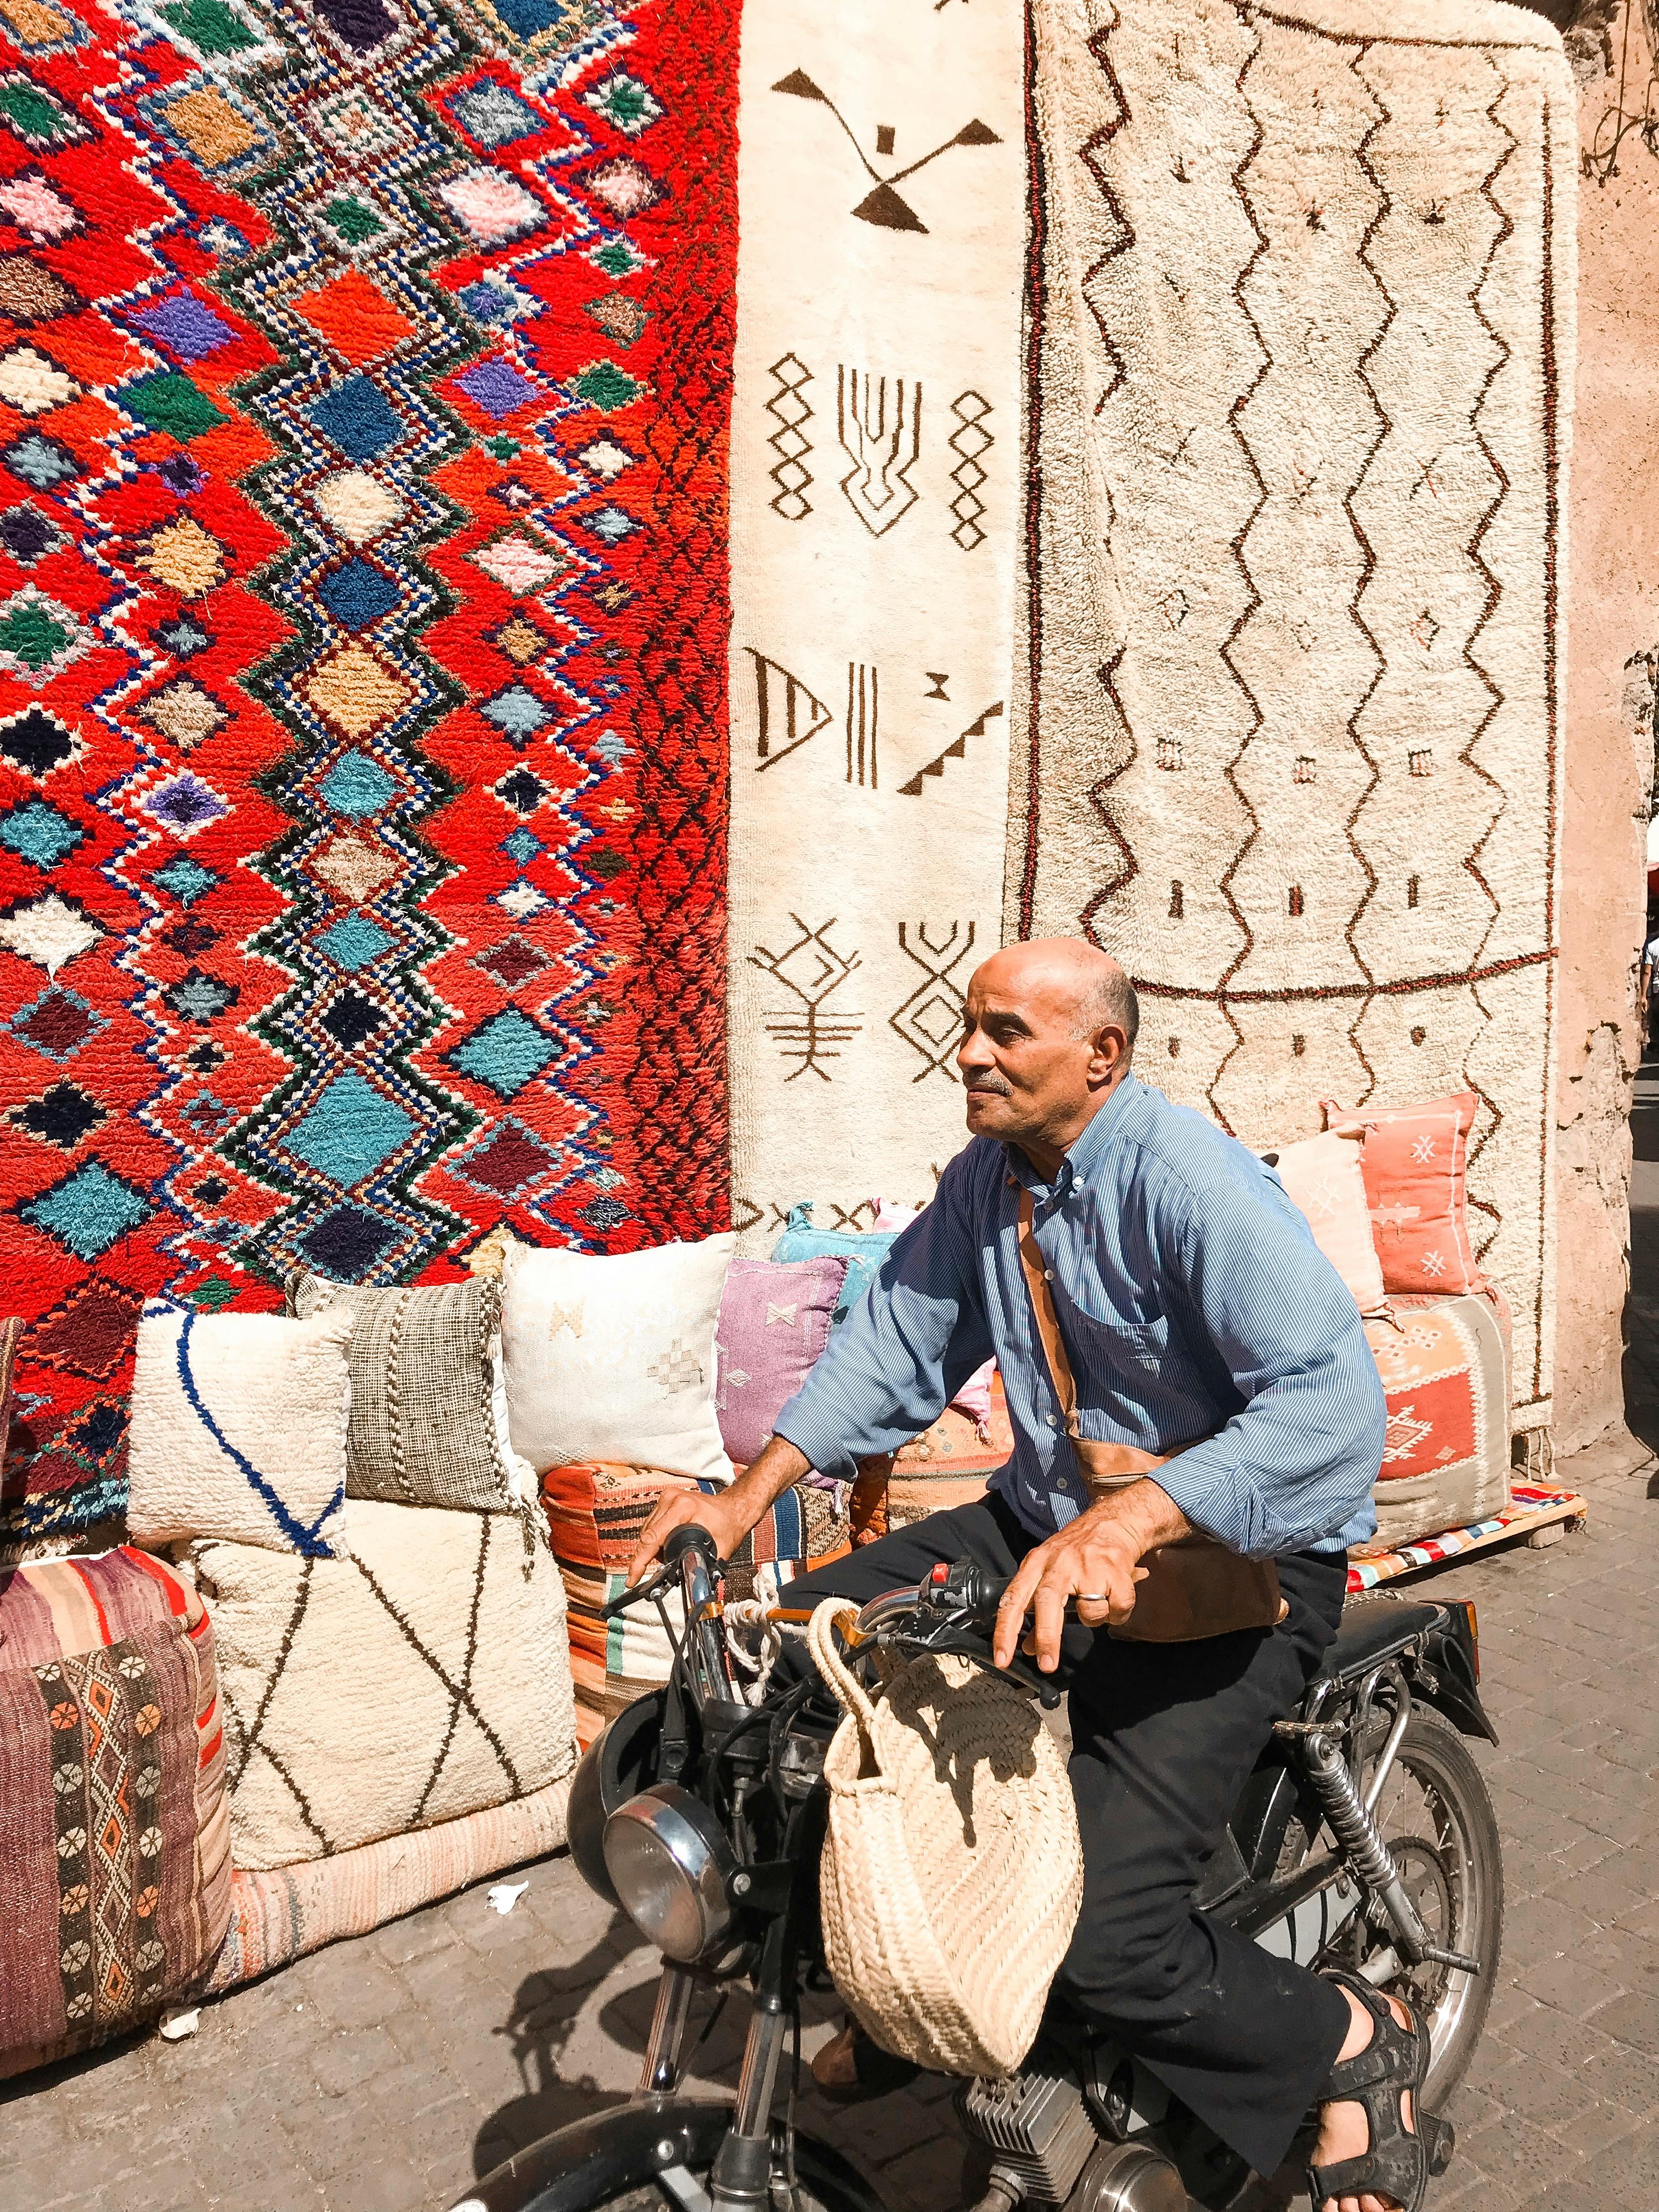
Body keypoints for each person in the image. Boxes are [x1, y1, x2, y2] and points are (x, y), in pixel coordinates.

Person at [632, 939, 1423, 2212]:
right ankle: (907, 1994)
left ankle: (1344, 2040)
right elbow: (893, 1343)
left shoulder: (1191, 1185)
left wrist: (1139, 1518)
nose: (970, 1055)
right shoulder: (992, 1180)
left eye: (1007, 1033)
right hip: (1040, 1523)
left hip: (1238, 1570)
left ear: (1102, 1055)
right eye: (968, 1027)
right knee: (785, 1671)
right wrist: (744, 1499)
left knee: (1108, 1941)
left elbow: (1334, 1406)